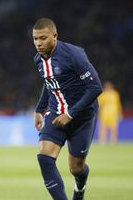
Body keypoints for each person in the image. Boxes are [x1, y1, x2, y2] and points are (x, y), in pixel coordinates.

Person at [32, 18, 103, 200]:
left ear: (54, 36)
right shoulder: (38, 60)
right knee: (44, 157)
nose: (38, 43)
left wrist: (70, 114)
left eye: (43, 38)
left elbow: (95, 87)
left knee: (76, 168)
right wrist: (39, 110)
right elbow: (49, 82)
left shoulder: (73, 55)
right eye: (35, 39)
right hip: (56, 113)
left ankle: (80, 188)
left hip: (82, 116)